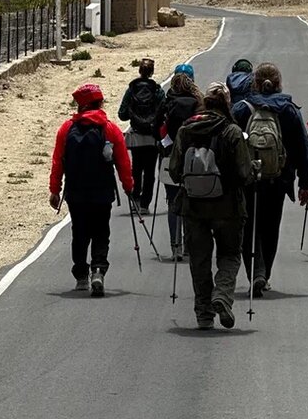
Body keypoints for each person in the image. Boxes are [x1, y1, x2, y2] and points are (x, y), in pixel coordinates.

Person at [168, 82, 254, 330]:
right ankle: (222, 295)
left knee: (199, 260)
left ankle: (204, 313)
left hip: (193, 208)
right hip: (228, 207)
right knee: (230, 254)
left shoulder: (186, 130)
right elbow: (244, 173)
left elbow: (174, 172)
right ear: (227, 104)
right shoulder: (232, 131)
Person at [232, 62, 308, 296]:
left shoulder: (242, 109)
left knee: (248, 228)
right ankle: (264, 275)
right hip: (277, 180)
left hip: (247, 180)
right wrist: (305, 184)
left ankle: (254, 273)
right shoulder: (288, 110)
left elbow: (229, 144)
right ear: (278, 84)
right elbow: (302, 149)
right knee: (270, 227)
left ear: (254, 83)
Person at [48, 83, 134, 298]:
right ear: (99, 103)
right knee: (101, 232)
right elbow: (123, 162)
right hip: (102, 191)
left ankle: (81, 276)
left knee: (79, 232)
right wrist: (128, 186)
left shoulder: (66, 129)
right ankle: (98, 269)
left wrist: (54, 190)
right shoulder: (110, 129)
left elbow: (58, 161)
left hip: (76, 192)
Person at [155, 64, 201, 261]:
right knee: (193, 201)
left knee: (173, 202)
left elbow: (155, 127)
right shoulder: (198, 102)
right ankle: (191, 245)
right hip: (194, 157)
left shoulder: (166, 103)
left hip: (169, 156)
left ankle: (176, 246)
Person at [118, 57, 164, 215]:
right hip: (153, 137)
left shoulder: (131, 90)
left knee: (136, 169)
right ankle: (145, 204)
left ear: (139, 71)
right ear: (152, 72)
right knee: (150, 171)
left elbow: (122, 115)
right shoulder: (157, 90)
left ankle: (135, 199)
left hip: (136, 136)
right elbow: (163, 111)